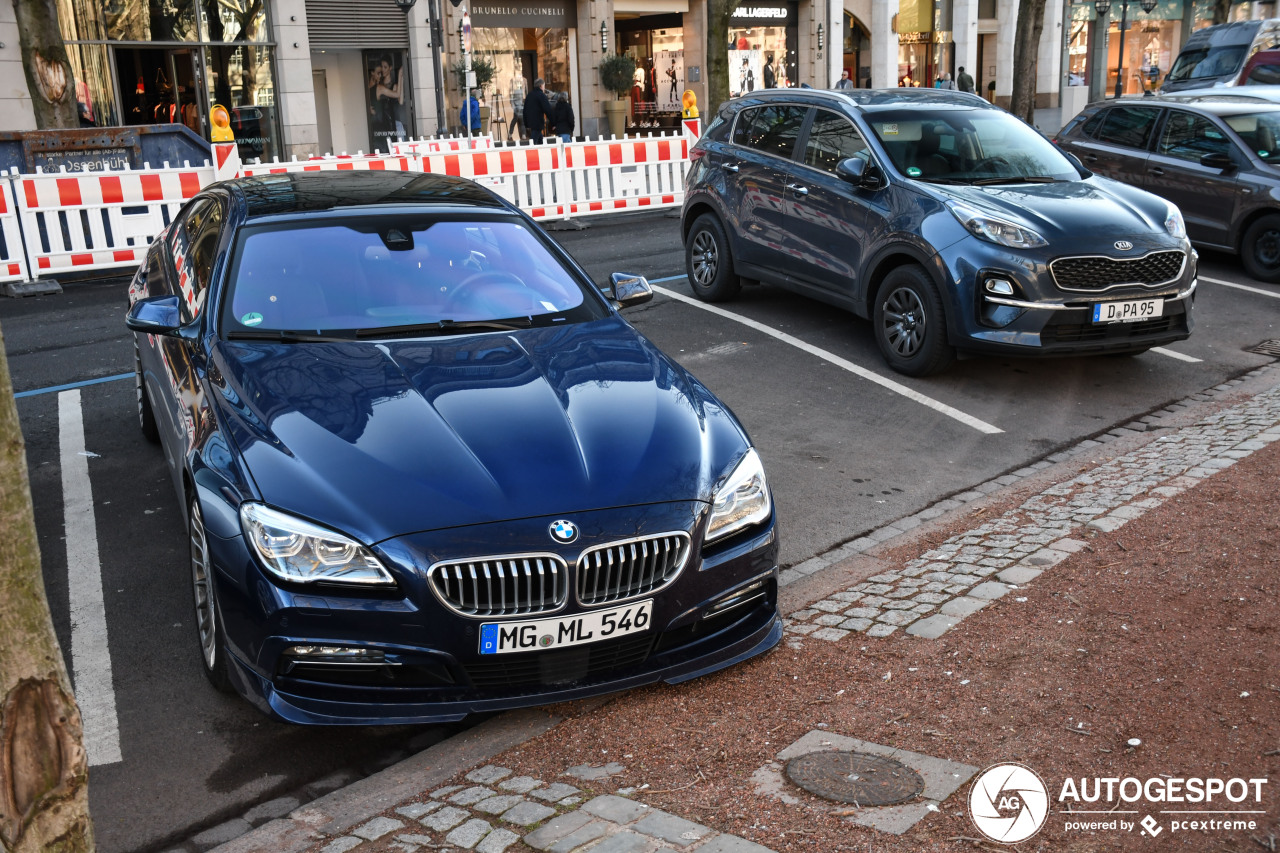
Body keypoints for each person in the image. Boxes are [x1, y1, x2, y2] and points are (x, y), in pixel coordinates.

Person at [522, 77, 555, 144]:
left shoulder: (529, 95)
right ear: (541, 86)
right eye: (544, 86)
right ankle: (531, 153)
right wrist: (553, 122)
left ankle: (542, 152)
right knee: (533, 141)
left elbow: (525, 109)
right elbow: (548, 110)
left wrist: (526, 122)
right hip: (537, 122)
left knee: (540, 140)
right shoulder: (541, 95)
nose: (544, 88)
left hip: (530, 121)